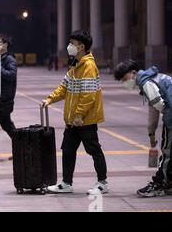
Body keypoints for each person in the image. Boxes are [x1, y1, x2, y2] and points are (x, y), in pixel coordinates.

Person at [41, 30, 108, 195]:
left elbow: (88, 95)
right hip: (73, 120)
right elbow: (64, 88)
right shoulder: (75, 66)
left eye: (73, 43)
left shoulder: (89, 66)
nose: (69, 46)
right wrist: (50, 99)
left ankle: (102, 183)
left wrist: (79, 114)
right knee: (68, 150)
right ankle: (66, 183)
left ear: (81, 46)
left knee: (93, 149)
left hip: (86, 119)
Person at [114, 60, 172, 197]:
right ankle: (168, 181)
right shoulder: (152, 78)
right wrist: (151, 134)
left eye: (125, 78)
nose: (125, 83)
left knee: (167, 151)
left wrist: (167, 120)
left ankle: (160, 184)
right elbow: (154, 108)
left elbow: (158, 106)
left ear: (133, 72)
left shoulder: (146, 83)